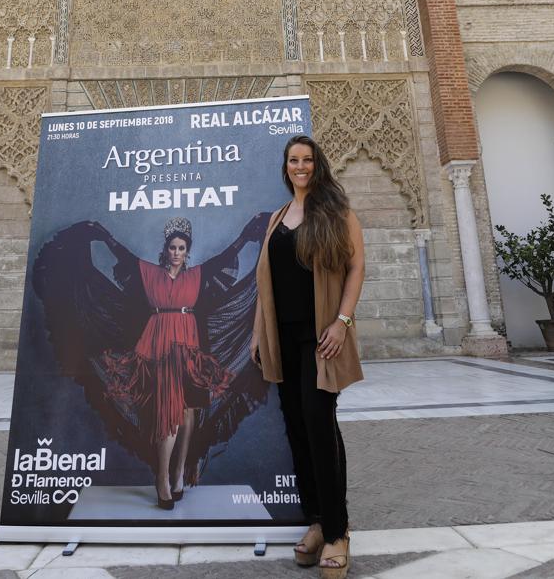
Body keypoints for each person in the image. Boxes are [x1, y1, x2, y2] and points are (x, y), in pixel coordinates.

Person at [33, 213, 270, 510]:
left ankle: (180, 472)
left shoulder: (196, 275)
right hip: (157, 345)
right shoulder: (149, 273)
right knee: (167, 413)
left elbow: (227, 257)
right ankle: (161, 478)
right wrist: (102, 235)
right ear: (166, 249)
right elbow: (123, 254)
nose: (177, 253)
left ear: (187, 251)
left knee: (187, 412)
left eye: (182, 248)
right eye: (173, 247)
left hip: (189, 346)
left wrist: (246, 236)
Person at [251, 135, 365, 579]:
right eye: (294, 160)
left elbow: (357, 266)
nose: (300, 167)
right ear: (286, 168)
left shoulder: (336, 213)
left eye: (307, 160)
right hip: (282, 338)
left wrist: (343, 322)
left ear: (318, 166)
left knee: (319, 425)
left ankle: (338, 532)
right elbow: (267, 281)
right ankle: (318, 520)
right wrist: (258, 334)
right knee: (297, 429)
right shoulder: (278, 218)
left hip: (321, 339)